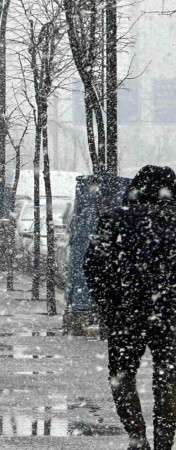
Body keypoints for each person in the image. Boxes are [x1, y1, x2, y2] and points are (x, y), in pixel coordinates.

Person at [84, 166, 176, 450]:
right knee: (168, 376)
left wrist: (109, 307)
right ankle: (165, 440)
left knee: (122, 374)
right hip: (170, 314)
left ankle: (137, 435)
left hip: (127, 311)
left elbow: (94, 266)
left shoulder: (113, 219)